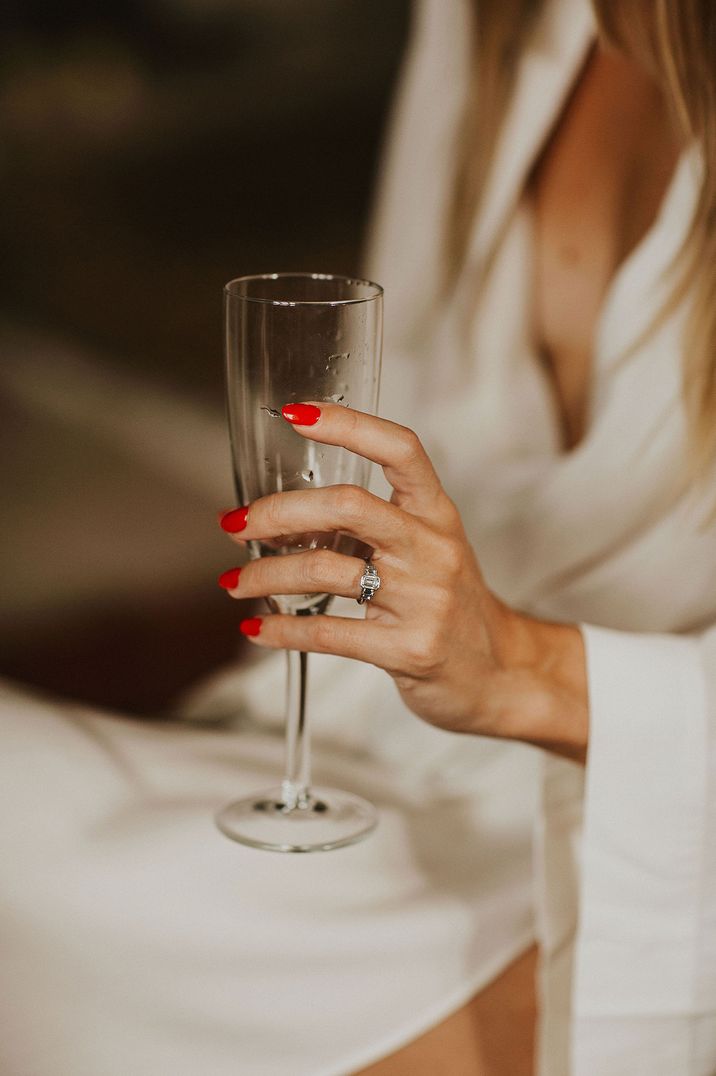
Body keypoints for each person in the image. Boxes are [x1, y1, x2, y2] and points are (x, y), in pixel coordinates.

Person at [1, 1, 715, 1074]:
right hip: (361, 751)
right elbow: (385, 407)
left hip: (629, 845)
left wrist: (522, 667)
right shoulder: (488, 26)